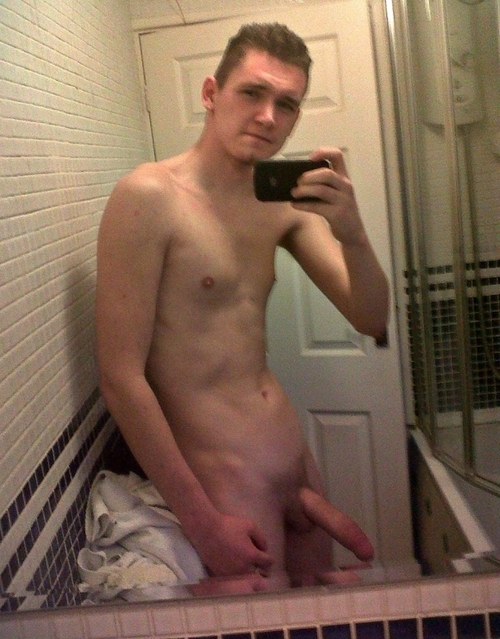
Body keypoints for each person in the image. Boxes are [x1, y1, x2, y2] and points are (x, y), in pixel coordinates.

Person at [95, 22, 388, 593]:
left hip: (297, 466)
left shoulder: (284, 204)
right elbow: (121, 379)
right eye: (252, 93)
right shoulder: (148, 197)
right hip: (226, 479)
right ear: (211, 93)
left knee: (322, 621)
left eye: (287, 104)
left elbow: (370, 318)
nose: (268, 116)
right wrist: (203, 523)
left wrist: (353, 233)